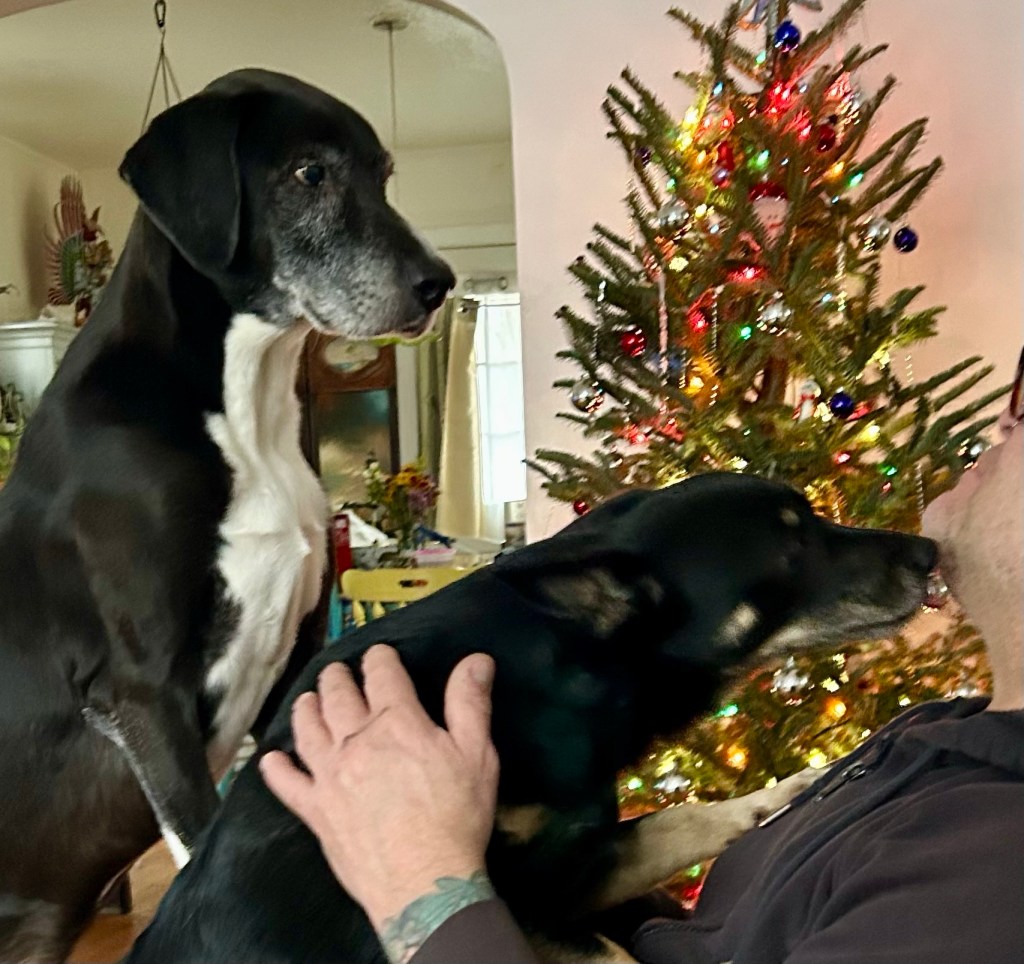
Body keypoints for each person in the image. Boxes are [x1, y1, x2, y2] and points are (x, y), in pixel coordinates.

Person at [261, 348, 1024, 964]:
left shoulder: (995, 860)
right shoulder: (942, 738)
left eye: (1022, 413)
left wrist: (422, 886)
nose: (994, 429)